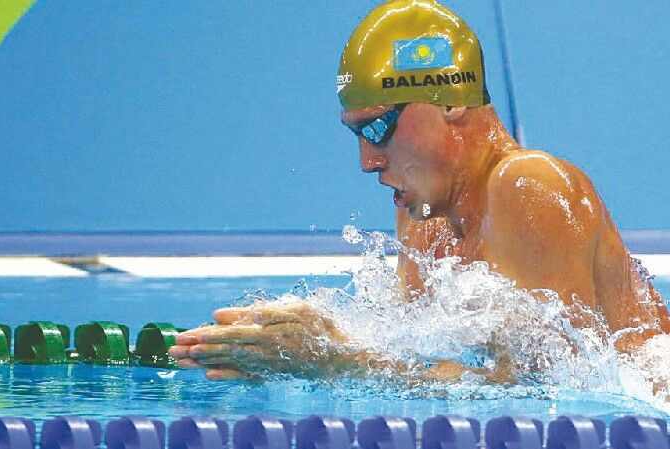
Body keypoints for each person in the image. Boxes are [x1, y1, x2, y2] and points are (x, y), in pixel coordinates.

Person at [167, 0, 670, 382]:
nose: (368, 161)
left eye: (378, 128)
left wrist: (340, 362)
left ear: (450, 103)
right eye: (357, 135)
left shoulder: (528, 185)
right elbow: (416, 364)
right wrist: (291, 349)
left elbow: (558, 392)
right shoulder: (425, 217)